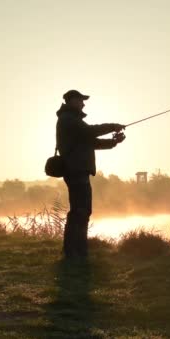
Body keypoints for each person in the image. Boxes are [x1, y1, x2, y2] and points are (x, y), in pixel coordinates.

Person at [55, 89, 126, 258]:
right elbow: (91, 132)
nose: (83, 103)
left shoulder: (71, 120)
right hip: (76, 170)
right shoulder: (69, 120)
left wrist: (113, 142)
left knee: (81, 211)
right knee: (80, 211)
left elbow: (91, 142)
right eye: (81, 100)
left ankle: (77, 250)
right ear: (72, 101)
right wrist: (113, 126)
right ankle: (75, 252)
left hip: (78, 170)